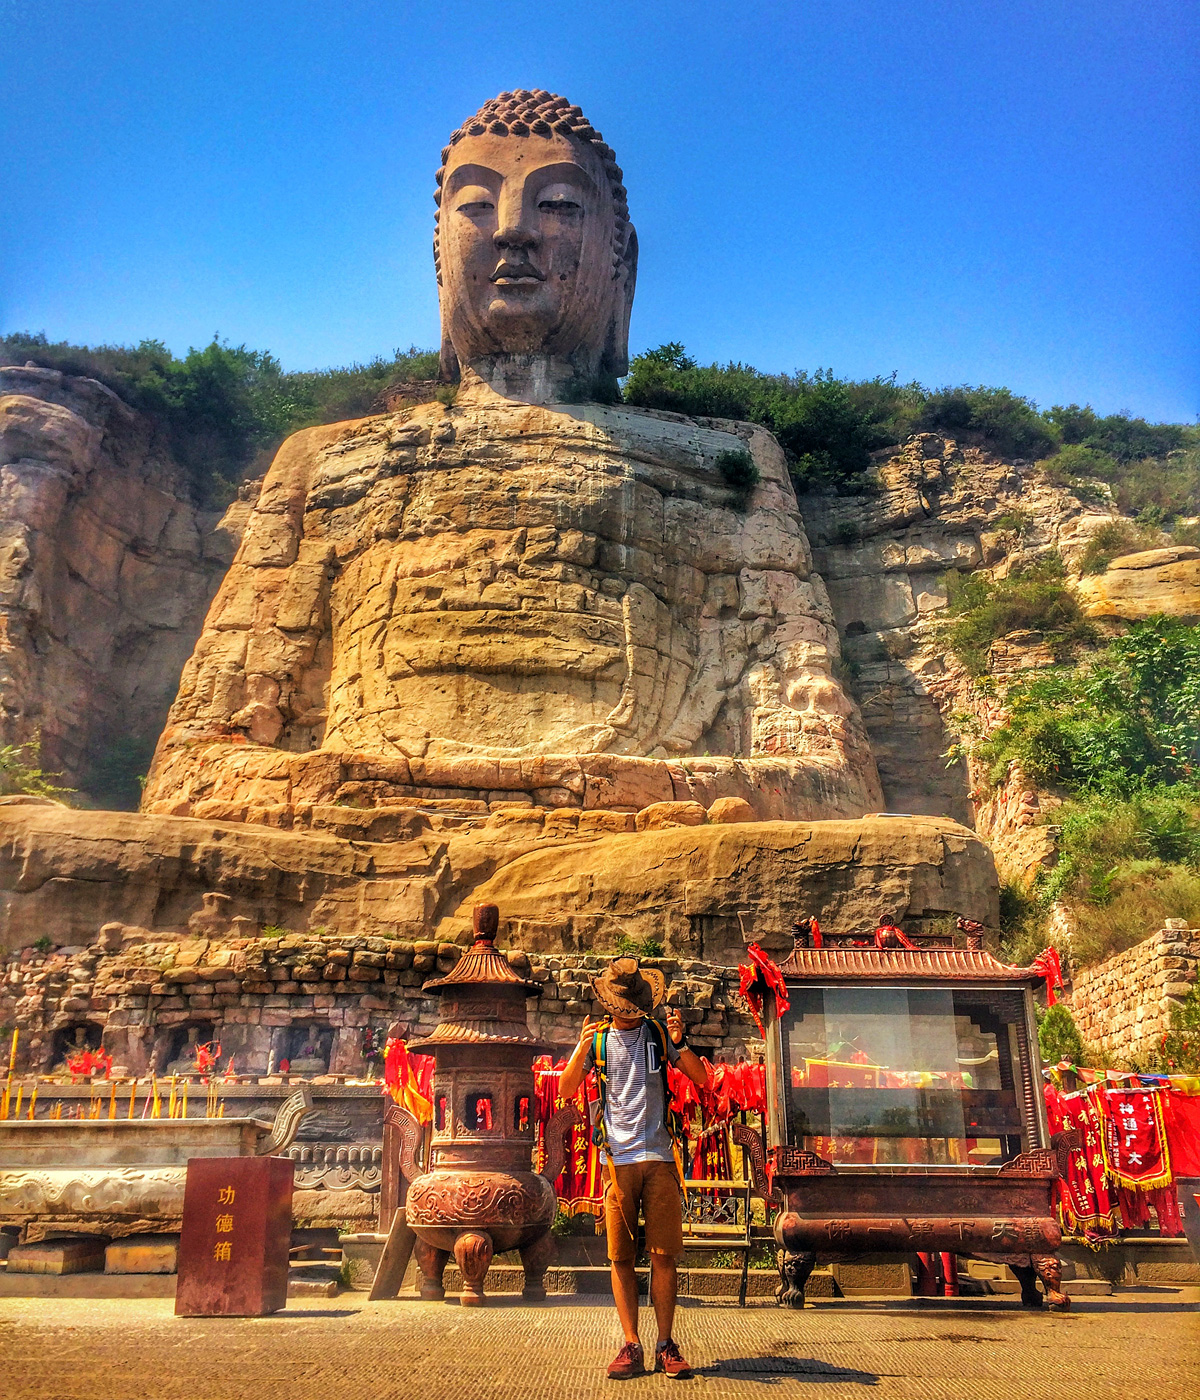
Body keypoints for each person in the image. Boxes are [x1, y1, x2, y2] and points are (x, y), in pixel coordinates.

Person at [560, 957, 710, 1380]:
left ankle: (666, 1344)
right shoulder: (597, 1042)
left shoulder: (660, 1035)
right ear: (610, 1004)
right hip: (617, 1163)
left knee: (664, 1256)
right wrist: (578, 1049)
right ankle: (631, 1344)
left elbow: (702, 1079)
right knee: (620, 1258)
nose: (625, 1012)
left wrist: (680, 1045)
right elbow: (566, 1088)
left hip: (660, 1160)